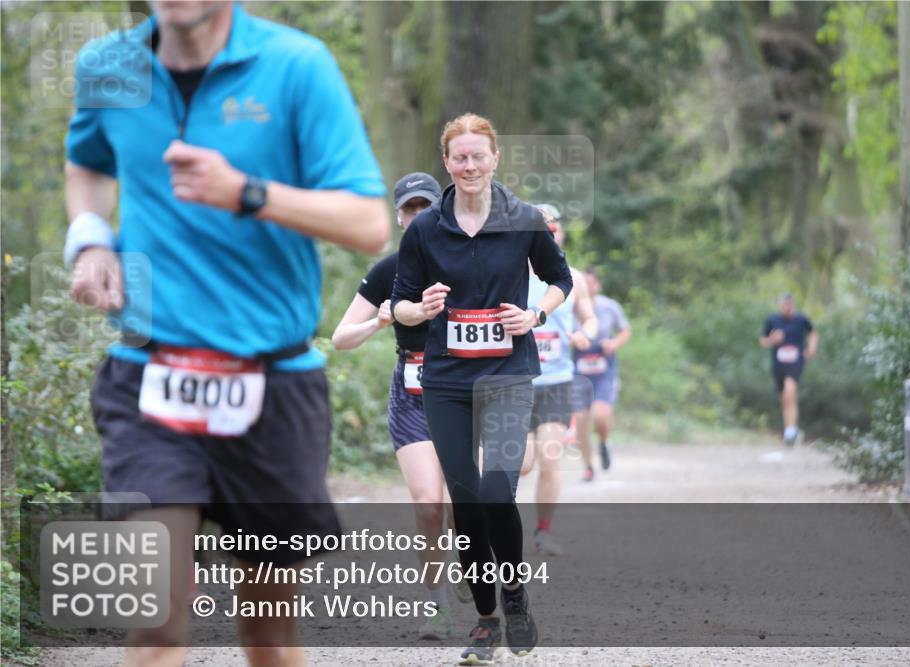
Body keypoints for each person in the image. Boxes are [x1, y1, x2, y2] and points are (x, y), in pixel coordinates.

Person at [64, 2, 388, 666]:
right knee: (155, 621)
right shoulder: (108, 66)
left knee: (267, 635)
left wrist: (247, 191)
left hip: (271, 383)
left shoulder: (298, 66)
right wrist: (90, 240)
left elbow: (367, 223)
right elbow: (87, 163)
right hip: (149, 377)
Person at [391, 113, 572, 664]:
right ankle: (486, 619)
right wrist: (418, 308)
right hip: (445, 380)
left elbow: (560, 280)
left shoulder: (523, 220)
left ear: (495, 159)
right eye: (459, 157)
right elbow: (398, 302)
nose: (469, 165)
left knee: (497, 491)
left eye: (478, 156)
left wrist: (536, 314)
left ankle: (514, 596)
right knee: (465, 503)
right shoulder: (425, 228)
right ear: (446, 163)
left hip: (507, 375)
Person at [331, 172, 473, 639]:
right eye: (409, 209)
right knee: (428, 503)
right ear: (398, 215)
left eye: (425, 207)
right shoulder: (387, 269)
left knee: (459, 505)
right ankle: (436, 606)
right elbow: (339, 339)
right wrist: (377, 320)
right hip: (410, 393)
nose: (417, 216)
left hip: (459, 391)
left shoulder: (466, 261)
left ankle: (467, 561)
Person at [519, 205, 598, 557]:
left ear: (560, 235)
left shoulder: (574, 278)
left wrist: (585, 334)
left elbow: (591, 320)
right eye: (541, 230)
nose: (549, 236)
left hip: (556, 382)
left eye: (553, 230)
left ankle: (542, 532)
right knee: (521, 464)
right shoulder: (511, 272)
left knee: (551, 459)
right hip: (516, 381)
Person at [571, 267, 631, 480]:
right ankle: (588, 466)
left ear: (598, 285)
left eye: (591, 283)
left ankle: (604, 442)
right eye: (583, 283)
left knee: (601, 415)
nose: (587, 287)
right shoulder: (570, 306)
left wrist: (613, 343)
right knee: (580, 420)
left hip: (604, 367)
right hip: (580, 367)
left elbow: (625, 331)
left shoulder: (609, 307)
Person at [759, 293, 819, 446]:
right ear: (780, 305)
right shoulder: (772, 320)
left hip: (796, 361)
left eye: (790, 304)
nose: (787, 307)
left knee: (790, 391)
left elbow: (813, 333)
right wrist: (773, 339)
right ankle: (792, 428)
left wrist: (811, 349)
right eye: (784, 304)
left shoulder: (802, 320)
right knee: (784, 398)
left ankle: (790, 432)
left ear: (794, 305)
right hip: (779, 363)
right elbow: (763, 342)